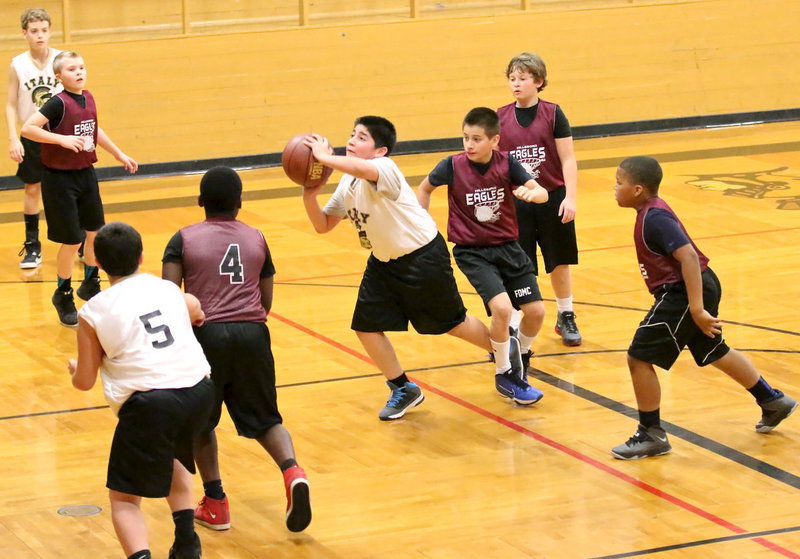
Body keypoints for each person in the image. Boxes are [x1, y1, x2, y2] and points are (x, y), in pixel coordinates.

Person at [302, 115, 502, 418]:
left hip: (422, 257)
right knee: (366, 327)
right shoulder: (348, 182)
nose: (352, 141)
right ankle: (403, 387)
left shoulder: (385, 168)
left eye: (361, 137)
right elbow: (323, 224)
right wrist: (310, 193)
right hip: (383, 261)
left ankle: (506, 353)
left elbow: (364, 169)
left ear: (380, 150)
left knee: (452, 324)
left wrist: (324, 157)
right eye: (352, 135)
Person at [611, 156, 797, 460]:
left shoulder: (655, 218)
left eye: (619, 183)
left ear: (637, 189)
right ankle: (772, 400)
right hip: (698, 286)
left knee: (639, 356)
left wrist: (696, 309)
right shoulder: (649, 212)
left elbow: (688, 257)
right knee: (712, 349)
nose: (614, 188)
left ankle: (651, 433)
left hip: (683, 293)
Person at [162, 166, 311, 533]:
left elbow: (170, 300)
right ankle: (293, 471)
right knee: (267, 420)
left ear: (200, 201)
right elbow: (266, 300)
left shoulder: (183, 239)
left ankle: (216, 503)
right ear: (240, 202)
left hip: (205, 336)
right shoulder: (257, 238)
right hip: (253, 335)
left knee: (200, 424)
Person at [68, 222, 214, 559]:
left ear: (97, 263)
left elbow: (85, 381)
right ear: (142, 257)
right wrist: (195, 314)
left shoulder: (92, 311)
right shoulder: (166, 289)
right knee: (173, 456)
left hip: (152, 403)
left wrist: (76, 370)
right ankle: (187, 542)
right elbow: (192, 304)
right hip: (199, 391)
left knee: (124, 499)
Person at [417, 107, 549, 405]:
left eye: (476, 139)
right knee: (502, 310)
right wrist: (424, 223)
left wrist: (534, 194)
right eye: (465, 137)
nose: (469, 144)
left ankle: (519, 357)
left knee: (537, 312)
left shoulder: (507, 163)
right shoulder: (451, 166)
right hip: (473, 252)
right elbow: (424, 189)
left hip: (508, 248)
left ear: (495, 140)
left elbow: (540, 190)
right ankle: (505, 373)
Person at [21, 51, 137, 326]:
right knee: (73, 240)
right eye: (72, 69)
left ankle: (90, 283)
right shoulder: (57, 103)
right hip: (59, 179)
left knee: (96, 233)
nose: (79, 72)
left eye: (82, 67)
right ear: (59, 77)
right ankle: (63, 294)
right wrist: (61, 140)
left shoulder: (89, 98)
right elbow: (28, 128)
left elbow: (95, 130)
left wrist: (118, 153)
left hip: (85, 173)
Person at [497, 52, 582, 346]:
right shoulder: (499, 118)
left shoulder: (553, 113)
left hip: (553, 198)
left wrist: (570, 198)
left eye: (522, 78)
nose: (516, 84)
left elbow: (568, 158)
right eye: (512, 78)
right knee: (519, 264)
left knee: (559, 261)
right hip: (517, 202)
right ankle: (515, 321)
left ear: (539, 81)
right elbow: (496, 165)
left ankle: (566, 313)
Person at [5, 8, 62, 268]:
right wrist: (12, 138)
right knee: (32, 188)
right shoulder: (18, 65)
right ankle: (32, 245)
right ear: (24, 33)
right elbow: (10, 104)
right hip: (31, 133)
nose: (40, 35)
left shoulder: (62, 59)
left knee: (67, 188)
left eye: (44, 30)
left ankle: (79, 240)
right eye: (34, 31)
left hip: (60, 133)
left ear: (50, 31)